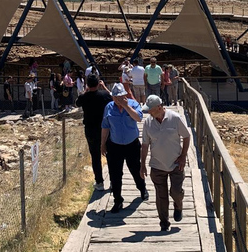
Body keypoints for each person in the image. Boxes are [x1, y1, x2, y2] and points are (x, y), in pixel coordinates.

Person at [139, 95, 191, 231]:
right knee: (161, 196)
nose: (148, 112)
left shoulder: (174, 118)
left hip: (175, 163)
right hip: (157, 165)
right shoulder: (148, 123)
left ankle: (178, 205)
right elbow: (144, 145)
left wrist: (183, 156)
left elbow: (186, 136)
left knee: (176, 192)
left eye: (150, 109)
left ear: (159, 107)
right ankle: (164, 223)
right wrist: (142, 164)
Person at [101, 82, 149, 213]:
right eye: (115, 97)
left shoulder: (133, 104)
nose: (117, 100)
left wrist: (126, 106)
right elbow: (105, 126)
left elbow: (138, 118)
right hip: (114, 145)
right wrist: (102, 144)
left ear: (125, 95)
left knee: (135, 169)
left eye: (119, 97)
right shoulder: (109, 108)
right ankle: (118, 200)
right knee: (115, 174)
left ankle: (142, 188)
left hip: (131, 144)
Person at [76, 74, 111, 191]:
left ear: (87, 84)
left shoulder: (84, 97)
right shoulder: (104, 95)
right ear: (98, 83)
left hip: (91, 130)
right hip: (105, 129)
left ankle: (99, 182)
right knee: (111, 155)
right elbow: (113, 97)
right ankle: (113, 181)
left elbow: (77, 103)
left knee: (95, 156)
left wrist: (86, 91)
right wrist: (104, 87)